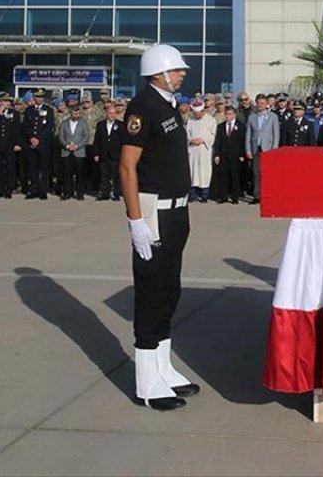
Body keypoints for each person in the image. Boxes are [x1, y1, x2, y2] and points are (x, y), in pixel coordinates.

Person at [119, 44, 201, 412]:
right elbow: (127, 167)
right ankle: (146, 381)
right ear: (159, 72)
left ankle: (163, 368)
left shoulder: (167, 106)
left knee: (169, 290)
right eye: (177, 69)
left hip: (177, 212)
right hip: (153, 213)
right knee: (151, 293)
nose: (182, 73)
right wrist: (135, 220)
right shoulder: (142, 107)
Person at [244, 94, 280, 205]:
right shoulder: (251, 117)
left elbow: (276, 134)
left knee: (267, 174)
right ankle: (257, 196)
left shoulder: (273, 116)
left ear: (266, 104)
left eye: (262, 103)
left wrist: (274, 149)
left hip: (268, 149)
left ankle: (268, 196)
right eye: (258, 103)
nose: (260, 105)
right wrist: (248, 150)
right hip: (256, 149)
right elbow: (248, 135)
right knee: (256, 173)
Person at [22, 88, 56, 200]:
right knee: (33, 168)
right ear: (34, 98)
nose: (39, 99)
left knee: (44, 169)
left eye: (41, 97)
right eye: (37, 97)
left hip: (43, 144)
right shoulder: (29, 110)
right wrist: (31, 138)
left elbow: (49, 127)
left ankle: (43, 191)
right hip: (31, 144)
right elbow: (26, 126)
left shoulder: (49, 110)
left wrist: (39, 139)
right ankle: (34, 190)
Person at [212, 105, 245, 203]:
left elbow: (242, 142)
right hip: (223, 155)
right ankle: (223, 197)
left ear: (234, 115)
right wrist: (216, 154)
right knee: (223, 177)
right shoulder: (221, 126)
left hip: (235, 156)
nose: (228, 116)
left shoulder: (241, 126)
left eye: (230, 114)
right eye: (226, 114)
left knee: (235, 177)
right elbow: (217, 141)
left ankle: (235, 197)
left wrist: (242, 155)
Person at [186, 98, 216, 203]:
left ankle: (204, 195)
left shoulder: (211, 120)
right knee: (193, 172)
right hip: (193, 150)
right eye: (195, 113)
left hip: (204, 150)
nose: (197, 115)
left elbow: (213, 135)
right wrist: (191, 140)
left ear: (203, 111)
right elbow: (187, 134)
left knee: (205, 172)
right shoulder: (191, 120)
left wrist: (203, 140)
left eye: (198, 113)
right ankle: (192, 194)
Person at [58, 102, 90, 200]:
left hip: (79, 152)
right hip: (66, 152)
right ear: (70, 113)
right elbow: (61, 136)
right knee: (67, 174)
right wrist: (67, 145)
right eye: (75, 113)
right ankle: (67, 193)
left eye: (78, 113)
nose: (77, 115)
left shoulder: (83, 123)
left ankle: (80, 194)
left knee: (80, 174)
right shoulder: (64, 123)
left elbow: (86, 137)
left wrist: (77, 146)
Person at [94, 100, 124, 201]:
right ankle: (105, 193)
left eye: (114, 113)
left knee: (115, 176)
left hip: (115, 155)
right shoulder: (100, 125)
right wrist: (96, 153)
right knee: (104, 176)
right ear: (107, 113)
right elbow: (97, 140)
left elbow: (123, 142)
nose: (112, 115)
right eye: (110, 113)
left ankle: (116, 194)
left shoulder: (120, 125)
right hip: (103, 154)